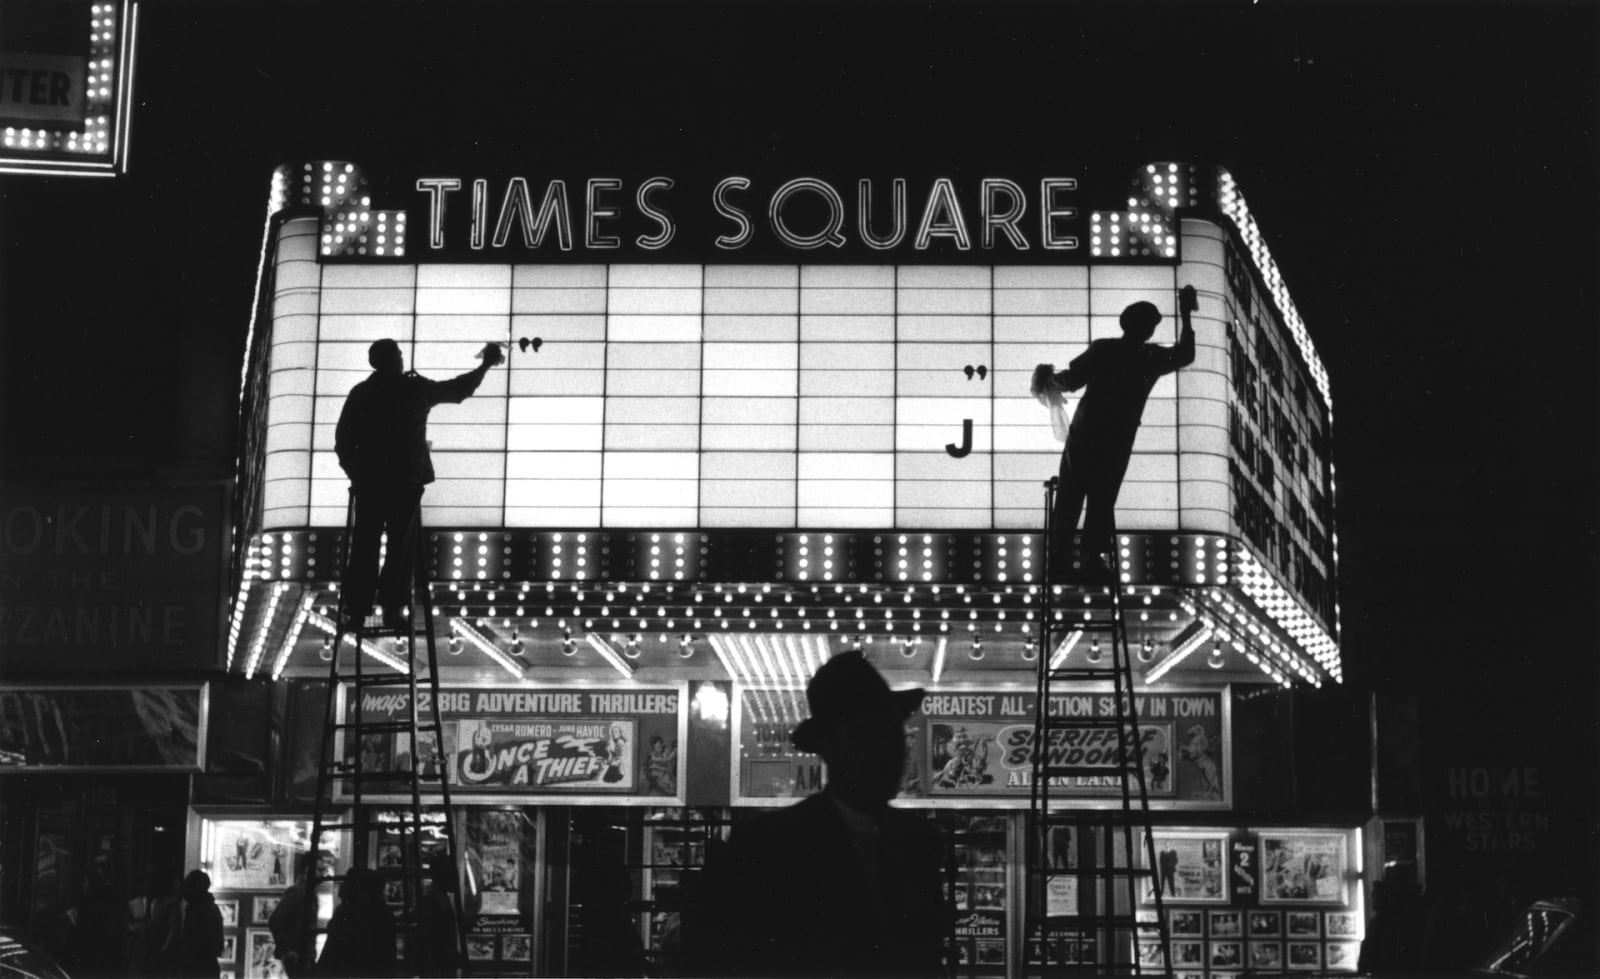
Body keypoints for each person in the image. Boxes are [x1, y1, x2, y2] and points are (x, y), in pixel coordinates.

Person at [695, 651, 948, 977]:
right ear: (829, 747)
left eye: (891, 732)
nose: (885, 750)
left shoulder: (921, 844)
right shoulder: (763, 848)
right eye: (864, 735)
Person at [335, 338, 503, 629]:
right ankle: (392, 609)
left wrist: (356, 473)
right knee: (401, 546)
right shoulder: (413, 389)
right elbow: (457, 390)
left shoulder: (361, 393)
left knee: (364, 544)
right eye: (399, 354)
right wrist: (485, 365)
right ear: (394, 359)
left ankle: (357, 610)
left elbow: (343, 439)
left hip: (370, 483)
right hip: (404, 481)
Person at [1033, 286, 1198, 581]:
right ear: (1148, 329)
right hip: (1119, 434)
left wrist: (1049, 381)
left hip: (1087, 428)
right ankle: (1091, 558)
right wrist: (1185, 314)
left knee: (1071, 492)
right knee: (1103, 496)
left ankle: (1059, 556)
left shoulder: (1103, 349)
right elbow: (1185, 354)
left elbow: (1071, 380)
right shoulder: (1151, 357)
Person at [315, 866, 397, 978]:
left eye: (347, 883)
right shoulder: (383, 913)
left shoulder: (345, 913)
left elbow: (329, 955)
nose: (342, 887)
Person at [168, 870, 224, 978]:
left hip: (199, 968)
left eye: (187, 885)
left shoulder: (197, 909)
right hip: (208, 967)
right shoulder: (209, 907)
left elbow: (192, 944)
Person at [417, 853, 463, 979]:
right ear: (443, 876)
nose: (457, 878)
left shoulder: (440, 898)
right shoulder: (432, 901)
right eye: (453, 874)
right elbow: (430, 939)